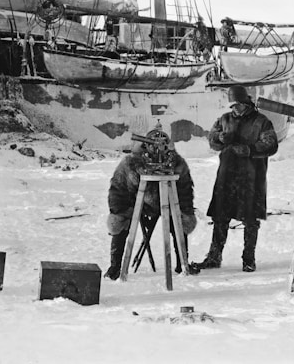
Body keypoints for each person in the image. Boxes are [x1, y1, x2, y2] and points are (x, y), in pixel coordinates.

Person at [192, 85, 278, 272]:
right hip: (227, 176)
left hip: (251, 177)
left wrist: (250, 150)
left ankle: (249, 259)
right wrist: (220, 138)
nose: (235, 109)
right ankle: (214, 257)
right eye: (233, 106)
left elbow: (271, 144)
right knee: (220, 216)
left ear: (246, 102)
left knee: (250, 218)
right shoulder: (225, 119)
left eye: (238, 105)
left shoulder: (261, 122)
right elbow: (212, 139)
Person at [104, 138, 197, 280]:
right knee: (120, 221)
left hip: (168, 202)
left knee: (180, 222)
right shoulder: (130, 163)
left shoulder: (178, 163)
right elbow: (118, 190)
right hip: (138, 203)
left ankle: (182, 263)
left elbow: (185, 193)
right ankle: (115, 266)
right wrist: (120, 211)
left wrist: (185, 213)